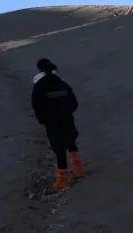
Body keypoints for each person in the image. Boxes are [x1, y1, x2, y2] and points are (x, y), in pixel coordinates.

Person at [31, 58, 86, 191]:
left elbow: (37, 106)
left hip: (52, 122)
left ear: (39, 70)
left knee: (59, 148)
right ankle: (79, 170)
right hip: (67, 118)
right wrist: (67, 112)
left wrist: (43, 120)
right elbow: (74, 103)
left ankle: (63, 179)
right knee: (71, 142)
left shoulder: (39, 86)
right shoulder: (62, 83)